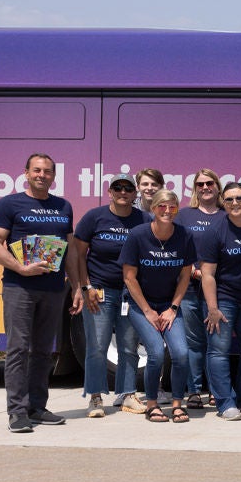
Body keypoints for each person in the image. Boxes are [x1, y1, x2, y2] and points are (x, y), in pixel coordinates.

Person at [0, 153, 79, 432]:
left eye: (48, 171)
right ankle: (17, 412)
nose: (42, 175)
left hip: (53, 289)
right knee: (17, 349)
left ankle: (37, 407)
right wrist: (21, 268)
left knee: (43, 351)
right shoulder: (9, 204)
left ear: (54, 176)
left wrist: (76, 286)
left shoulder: (63, 206)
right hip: (20, 287)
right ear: (26, 172)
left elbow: (71, 250)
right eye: (37, 170)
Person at [70, 173, 146, 418]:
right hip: (99, 291)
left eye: (128, 188)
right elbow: (78, 254)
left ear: (135, 193)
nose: (123, 192)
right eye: (118, 187)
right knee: (97, 346)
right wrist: (86, 287)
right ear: (110, 191)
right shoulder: (95, 217)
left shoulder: (144, 219)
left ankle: (127, 394)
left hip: (131, 293)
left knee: (129, 347)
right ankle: (94, 397)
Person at [120, 188, 194, 423]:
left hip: (168, 305)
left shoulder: (184, 235)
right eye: (162, 206)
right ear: (153, 209)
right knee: (155, 353)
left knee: (181, 354)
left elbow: (185, 276)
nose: (167, 210)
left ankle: (177, 404)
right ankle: (152, 404)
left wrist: (172, 308)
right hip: (140, 304)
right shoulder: (138, 235)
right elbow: (129, 278)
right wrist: (148, 311)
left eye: (172, 206)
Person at [199, 182, 241, 420]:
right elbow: (207, 274)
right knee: (218, 350)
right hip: (224, 299)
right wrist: (213, 308)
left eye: (239, 198)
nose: (234, 203)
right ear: (223, 202)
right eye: (228, 200)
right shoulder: (215, 230)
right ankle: (224, 402)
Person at [174, 168, 225, 409]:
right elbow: (175, 249)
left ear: (217, 187)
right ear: (195, 188)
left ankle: (216, 391)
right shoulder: (184, 216)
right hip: (190, 290)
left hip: (217, 290)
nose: (205, 187)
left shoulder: (227, 215)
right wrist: (194, 270)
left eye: (210, 183)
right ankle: (194, 391)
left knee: (216, 343)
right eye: (200, 184)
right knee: (194, 343)